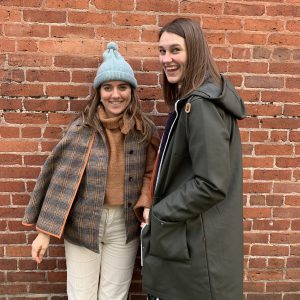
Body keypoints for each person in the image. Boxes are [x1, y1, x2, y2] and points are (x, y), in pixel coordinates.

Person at [22, 41, 159, 300]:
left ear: (132, 91)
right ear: (99, 92)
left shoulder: (144, 130)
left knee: (115, 295)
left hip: (124, 225)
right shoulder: (82, 130)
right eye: (107, 88)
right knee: (81, 294)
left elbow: (151, 172)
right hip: (84, 224)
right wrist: (44, 234)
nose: (115, 94)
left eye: (122, 87)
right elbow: (62, 181)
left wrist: (147, 202)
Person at [141, 18, 246, 300]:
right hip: (197, 240)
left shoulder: (200, 106)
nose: (167, 59)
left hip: (199, 247)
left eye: (175, 50)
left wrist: (160, 212)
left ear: (195, 50)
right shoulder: (194, 102)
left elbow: (211, 183)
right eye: (162, 51)